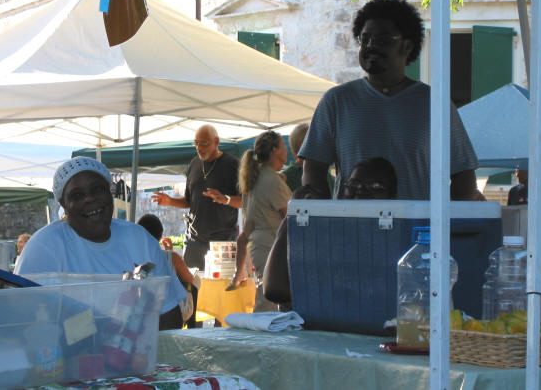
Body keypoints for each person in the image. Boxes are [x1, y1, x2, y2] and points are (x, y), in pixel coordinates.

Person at [298, 0, 479, 201]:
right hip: (353, 230)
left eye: (383, 40)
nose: (370, 46)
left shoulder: (434, 104)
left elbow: (463, 175)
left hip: (416, 231)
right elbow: (313, 169)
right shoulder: (337, 101)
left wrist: (450, 228)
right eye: (365, 39)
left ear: (407, 46)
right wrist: (327, 217)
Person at [15, 157, 188, 330]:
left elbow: (169, 314)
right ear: (63, 204)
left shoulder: (140, 240)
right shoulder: (44, 247)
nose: (89, 199)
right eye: (76, 195)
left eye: (97, 190)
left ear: (110, 192)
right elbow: (21, 322)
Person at [263, 157, 398, 307]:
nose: (361, 191)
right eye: (353, 185)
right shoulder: (325, 235)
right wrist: (292, 214)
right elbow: (275, 289)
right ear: (341, 193)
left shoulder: (400, 242)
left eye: (375, 186)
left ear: (393, 196)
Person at [151, 124, 242, 327]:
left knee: (221, 294)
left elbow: (246, 200)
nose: (199, 148)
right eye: (196, 144)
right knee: (192, 290)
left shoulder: (232, 165)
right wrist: (170, 202)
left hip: (222, 241)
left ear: (216, 142)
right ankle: (192, 335)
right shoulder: (193, 164)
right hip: (194, 240)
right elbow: (190, 201)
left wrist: (225, 199)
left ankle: (222, 340)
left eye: (204, 143)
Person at [228, 130, 292, 312]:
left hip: (260, 248)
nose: (286, 150)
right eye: (282, 146)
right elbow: (290, 219)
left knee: (266, 302)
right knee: (268, 303)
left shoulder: (254, 180)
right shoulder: (272, 181)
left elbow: (244, 234)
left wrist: (238, 272)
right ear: (274, 150)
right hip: (272, 247)